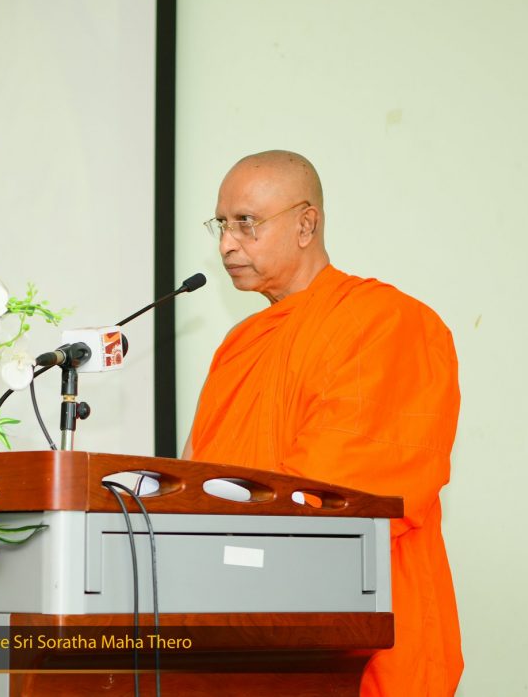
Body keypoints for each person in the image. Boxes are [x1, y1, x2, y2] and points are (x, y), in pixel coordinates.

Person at [183, 151, 463, 696]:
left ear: (306, 224)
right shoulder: (240, 345)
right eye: (221, 224)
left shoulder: (387, 322)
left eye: (246, 222)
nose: (226, 244)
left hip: (353, 630)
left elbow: (338, 495)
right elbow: (193, 477)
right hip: (234, 624)